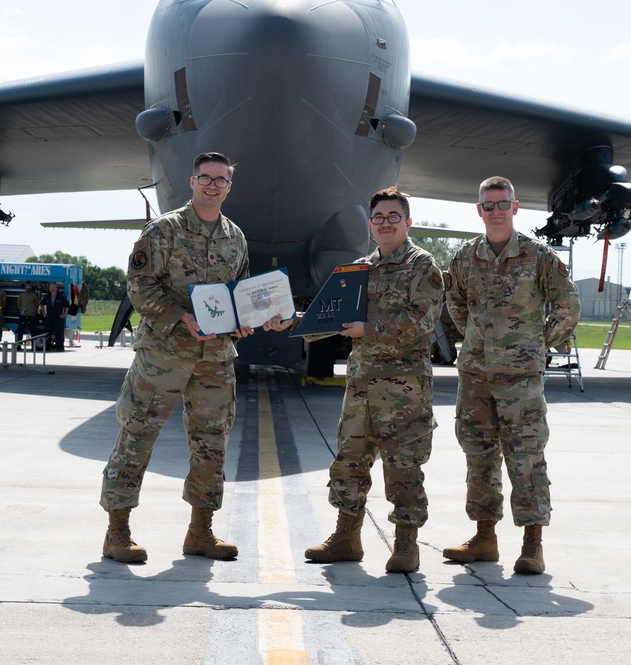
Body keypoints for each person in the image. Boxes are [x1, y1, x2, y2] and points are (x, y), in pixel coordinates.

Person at [265, 187, 444, 573]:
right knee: (349, 463)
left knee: (404, 468)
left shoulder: (423, 266)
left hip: (404, 389)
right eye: (379, 217)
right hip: (361, 387)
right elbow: (327, 316)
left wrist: (368, 329)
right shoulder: (358, 269)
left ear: (407, 222)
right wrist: (292, 321)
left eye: (393, 217)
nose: (385, 223)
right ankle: (346, 537)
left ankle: (406, 546)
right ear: (370, 224)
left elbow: (421, 322)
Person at [99, 152, 256, 563]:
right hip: (164, 354)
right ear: (192, 182)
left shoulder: (235, 237)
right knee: (137, 434)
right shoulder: (163, 230)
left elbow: (238, 293)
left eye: (220, 180)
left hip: (215, 357)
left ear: (229, 186)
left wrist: (243, 320)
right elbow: (138, 285)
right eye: (205, 178)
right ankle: (117, 532)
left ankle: (200, 532)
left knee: (212, 442)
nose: (212, 185)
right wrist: (179, 317)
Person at [442, 176, 580, 575]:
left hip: (520, 379)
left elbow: (568, 307)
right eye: (488, 205)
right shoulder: (465, 257)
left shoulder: (538, 257)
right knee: (479, 456)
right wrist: (476, 340)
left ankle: (532, 544)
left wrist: (537, 345)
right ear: (479, 210)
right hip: (475, 376)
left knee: (526, 458)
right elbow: (455, 303)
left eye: (503, 204)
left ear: (515, 208)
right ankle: (484, 538)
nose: (496, 211)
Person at [40, 283, 68, 352]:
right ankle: (47, 347)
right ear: (49, 289)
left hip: (58, 318)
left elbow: (67, 306)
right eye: (51, 287)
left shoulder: (60, 296)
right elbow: (41, 304)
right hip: (49, 318)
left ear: (56, 288)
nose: (52, 289)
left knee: (59, 334)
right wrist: (44, 313)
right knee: (47, 333)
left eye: (54, 287)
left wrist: (64, 314)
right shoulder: (47, 297)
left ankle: (60, 348)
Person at [15, 282, 40, 348]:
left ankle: (34, 346)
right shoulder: (21, 295)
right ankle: (18, 345)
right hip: (23, 315)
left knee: (33, 332)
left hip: (32, 316)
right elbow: (19, 304)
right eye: (27, 286)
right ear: (25, 287)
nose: (28, 287)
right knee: (20, 331)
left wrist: (33, 311)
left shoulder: (34, 296)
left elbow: (37, 305)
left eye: (29, 286)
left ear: (31, 287)